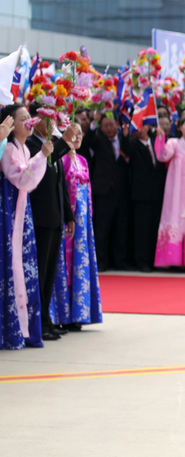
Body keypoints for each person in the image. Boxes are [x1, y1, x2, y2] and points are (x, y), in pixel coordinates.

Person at [26, 103, 78, 340]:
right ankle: (39, 323)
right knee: (39, 272)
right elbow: (41, 169)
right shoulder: (32, 145)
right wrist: (64, 142)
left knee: (49, 274)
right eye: (45, 118)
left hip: (55, 217)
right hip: (40, 217)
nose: (50, 124)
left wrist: (68, 215)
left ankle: (46, 320)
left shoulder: (49, 146)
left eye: (53, 119)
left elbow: (60, 184)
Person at [0, 105, 47, 348]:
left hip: (21, 214)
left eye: (30, 116)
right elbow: (22, 178)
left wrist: (40, 156)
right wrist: (43, 156)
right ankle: (13, 330)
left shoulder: (25, 148)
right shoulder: (8, 148)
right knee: (13, 266)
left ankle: (25, 329)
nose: (29, 121)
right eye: (23, 118)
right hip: (10, 217)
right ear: (11, 124)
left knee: (25, 266)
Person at [51, 125, 102, 331]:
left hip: (83, 224)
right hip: (67, 221)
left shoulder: (82, 160)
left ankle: (80, 313)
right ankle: (64, 314)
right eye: (74, 133)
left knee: (80, 264)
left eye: (81, 133)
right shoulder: (60, 159)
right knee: (65, 265)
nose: (78, 136)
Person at [154, 115, 185, 269]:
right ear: (180, 127)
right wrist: (161, 138)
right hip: (176, 188)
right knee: (175, 216)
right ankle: (174, 260)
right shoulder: (174, 143)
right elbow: (162, 155)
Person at [85, 114, 132, 272]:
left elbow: (129, 152)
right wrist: (94, 122)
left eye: (112, 124)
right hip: (104, 191)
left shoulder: (124, 138)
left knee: (122, 228)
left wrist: (125, 135)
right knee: (102, 229)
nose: (109, 128)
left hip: (122, 191)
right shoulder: (98, 140)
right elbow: (88, 139)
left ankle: (121, 261)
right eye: (105, 125)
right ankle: (102, 262)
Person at [127, 124, 168, 272]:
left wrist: (161, 137)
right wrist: (126, 134)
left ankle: (154, 260)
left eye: (141, 125)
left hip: (158, 193)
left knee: (155, 229)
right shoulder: (131, 144)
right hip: (141, 194)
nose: (139, 129)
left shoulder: (156, 140)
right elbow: (125, 151)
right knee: (142, 230)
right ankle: (142, 261)